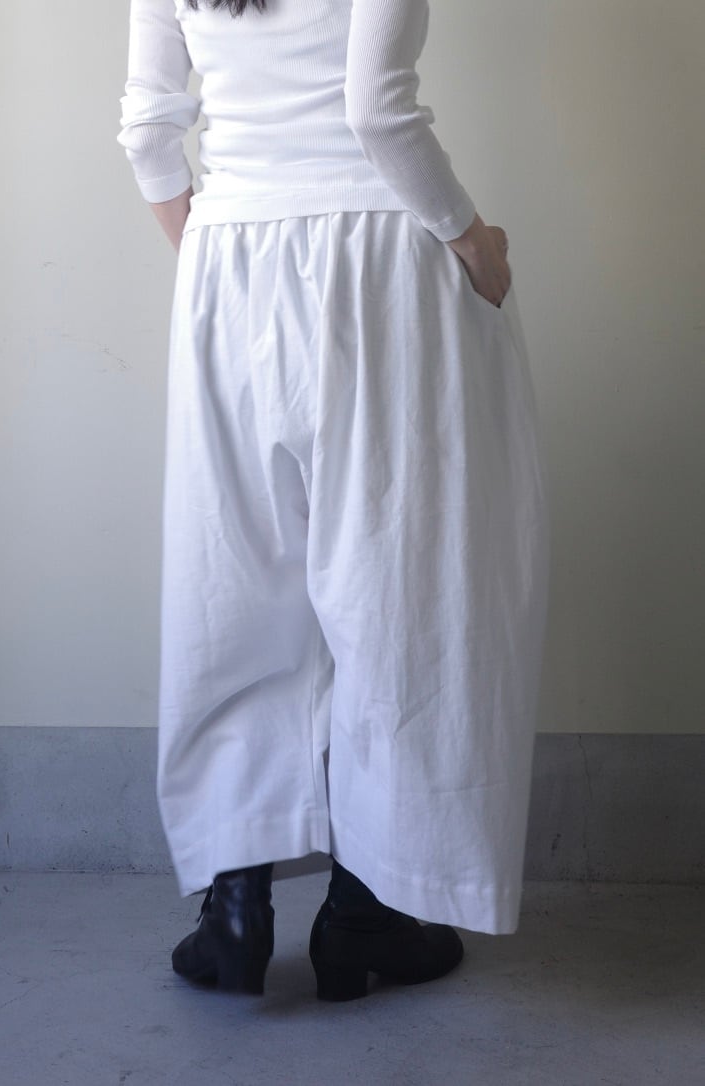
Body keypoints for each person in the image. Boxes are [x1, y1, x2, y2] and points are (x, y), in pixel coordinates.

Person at [118, 0, 550, 1002]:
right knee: (398, 587)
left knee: (235, 587)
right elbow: (376, 111)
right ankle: (367, 912)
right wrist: (472, 241)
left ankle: (234, 910)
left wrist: (225, 259)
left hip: (229, 261)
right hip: (380, 259)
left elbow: (147, 130)